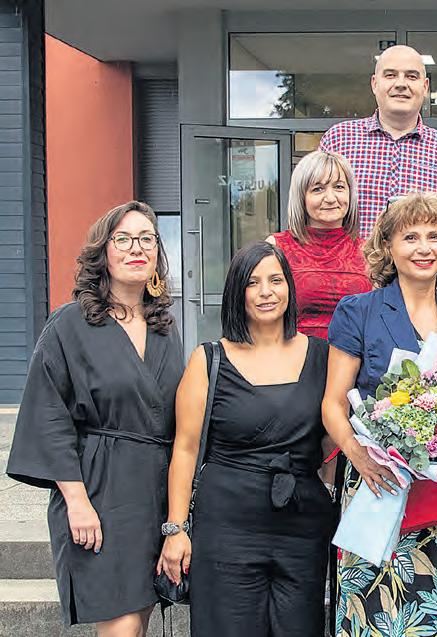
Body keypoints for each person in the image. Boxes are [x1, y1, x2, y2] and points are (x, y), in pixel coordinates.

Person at [6, 201, 183, 634]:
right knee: (121, 625)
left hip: (153, 494)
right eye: (123, 239)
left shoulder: (164, 327)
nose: (136, 248)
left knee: (138, 621)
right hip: (100, 492)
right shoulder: (69, 324)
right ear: (103, 252)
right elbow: (49, 417)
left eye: (147, 239)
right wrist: (77, 502)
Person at [324, 192, 437, 636]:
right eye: (410, 237)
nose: (424, 248)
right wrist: (360, 458)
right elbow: (333, 403)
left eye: (434, 236)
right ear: (388, 247)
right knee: (379, 615)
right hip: (379, 486)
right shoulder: (358, 312)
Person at [158, 242, 333, 636]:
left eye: (275, 280)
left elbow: (331, 439)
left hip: (302, 526)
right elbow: (185, 449)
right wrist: (176, 529)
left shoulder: (322, 356)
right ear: (237, 293)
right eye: (253, 283)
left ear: (289, 287)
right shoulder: (209, 359)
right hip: (227, 526)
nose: (266, 292)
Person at [318, 45, 437, 237]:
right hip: (351, 257)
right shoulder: (338, 141)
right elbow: (314, 211)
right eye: (390, 75)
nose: (401, 84)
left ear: (425, 87)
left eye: (411, 76)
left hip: (424, 256)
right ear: (374, 84)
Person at [266, 150, 371, 339]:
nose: (330, 198)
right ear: (301, 196)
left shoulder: (369, 252)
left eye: (339, 187)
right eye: (318, 189)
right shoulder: (277, 247)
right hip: (294, 355)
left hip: (355, 356)